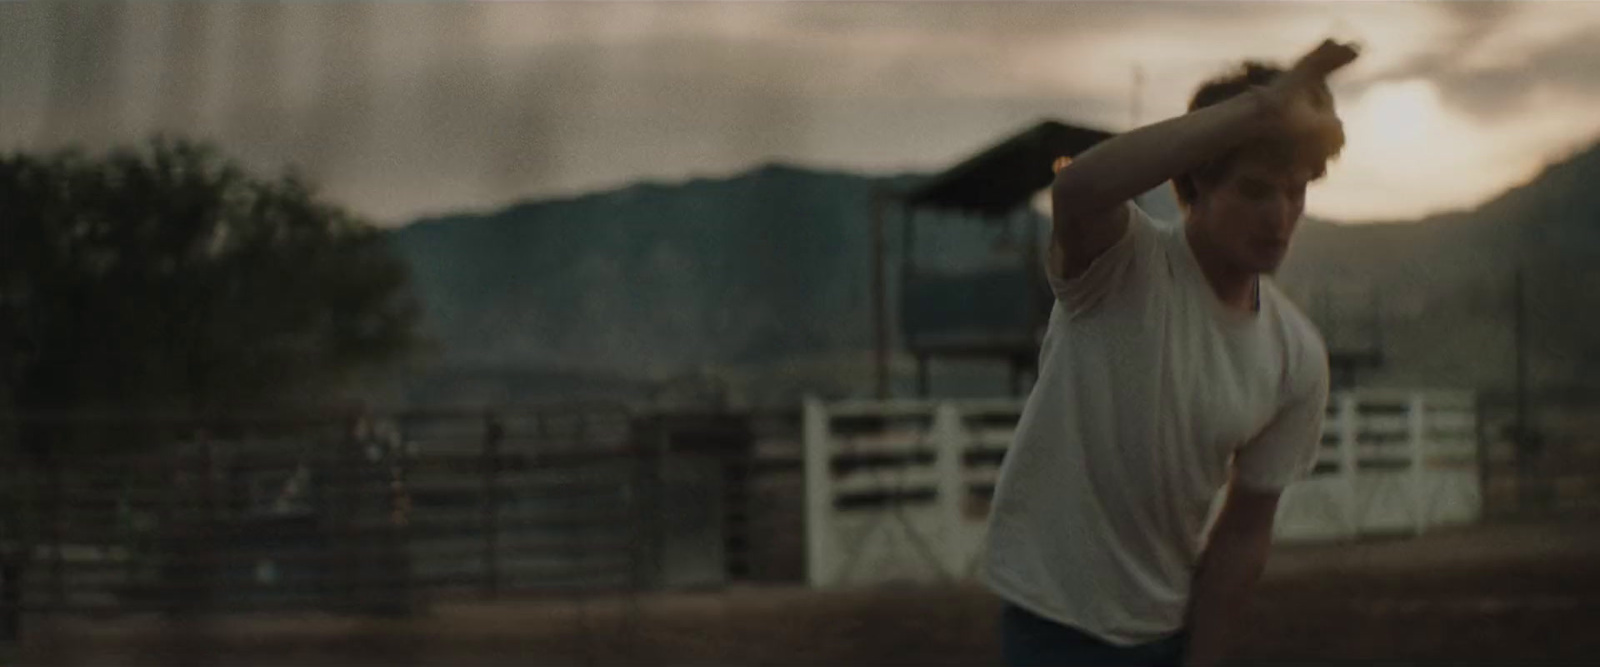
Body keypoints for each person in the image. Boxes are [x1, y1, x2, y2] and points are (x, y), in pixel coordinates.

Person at [978, 39, 1360, 667]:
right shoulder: (1123, 263)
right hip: (1052, 622)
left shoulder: (1296, 354)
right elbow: (1079, 189)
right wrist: (1260, 110)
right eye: (1257, 191)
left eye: (1295, 194)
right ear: (1197, 185)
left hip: (1167, 628)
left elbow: (1244, 533)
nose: (1281, 217)